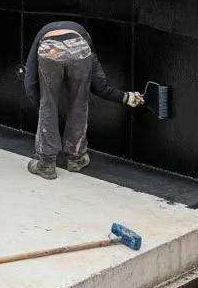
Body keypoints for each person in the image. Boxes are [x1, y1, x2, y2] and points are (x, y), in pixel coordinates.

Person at [23, 22, 144, 180]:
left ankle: (46, 164)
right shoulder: (84, 36)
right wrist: (125, 97)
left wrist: (39, 104)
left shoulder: (42, 33)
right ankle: (76, 158)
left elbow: (29, 81)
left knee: (48, 104)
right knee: (79, 104)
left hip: (50, 51)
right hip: (79, 49)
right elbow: (100, 86)